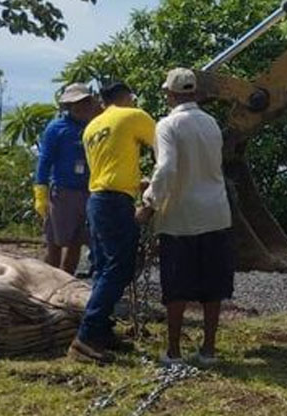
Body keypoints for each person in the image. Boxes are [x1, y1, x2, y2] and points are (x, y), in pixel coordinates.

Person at [138, 68, 234, 365]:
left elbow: (166, 169)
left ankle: (174, 351)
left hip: (181, 216)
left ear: (170, 94)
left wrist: (149, 202)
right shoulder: (212, 123)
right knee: (212, 287)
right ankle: (208, 350)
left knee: (176, 287)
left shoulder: (168, 125)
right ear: (194, 93)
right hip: (216, 213)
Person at [67, 82, 156, 364]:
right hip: (116, 202)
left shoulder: (92, 127)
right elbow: (164, 150)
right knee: (120, 267)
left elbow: (111, 167)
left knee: (104, 268)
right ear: (128, 97)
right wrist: (157, 187)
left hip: (97, 200)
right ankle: (87, 336)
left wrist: (135, 181)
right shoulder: (133, 116)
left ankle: (102, 331)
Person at [33, 83, 99, 276]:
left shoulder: (95, 126)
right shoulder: (56, 128)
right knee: (54, 242)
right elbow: (45, 160)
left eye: (86, 102)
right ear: (69, 106)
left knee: (76, 241)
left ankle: (67, 280)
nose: (83, 107)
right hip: (63, 192)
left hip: (88, 191)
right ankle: (49, 281)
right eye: (77, 103)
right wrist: (40, 191)